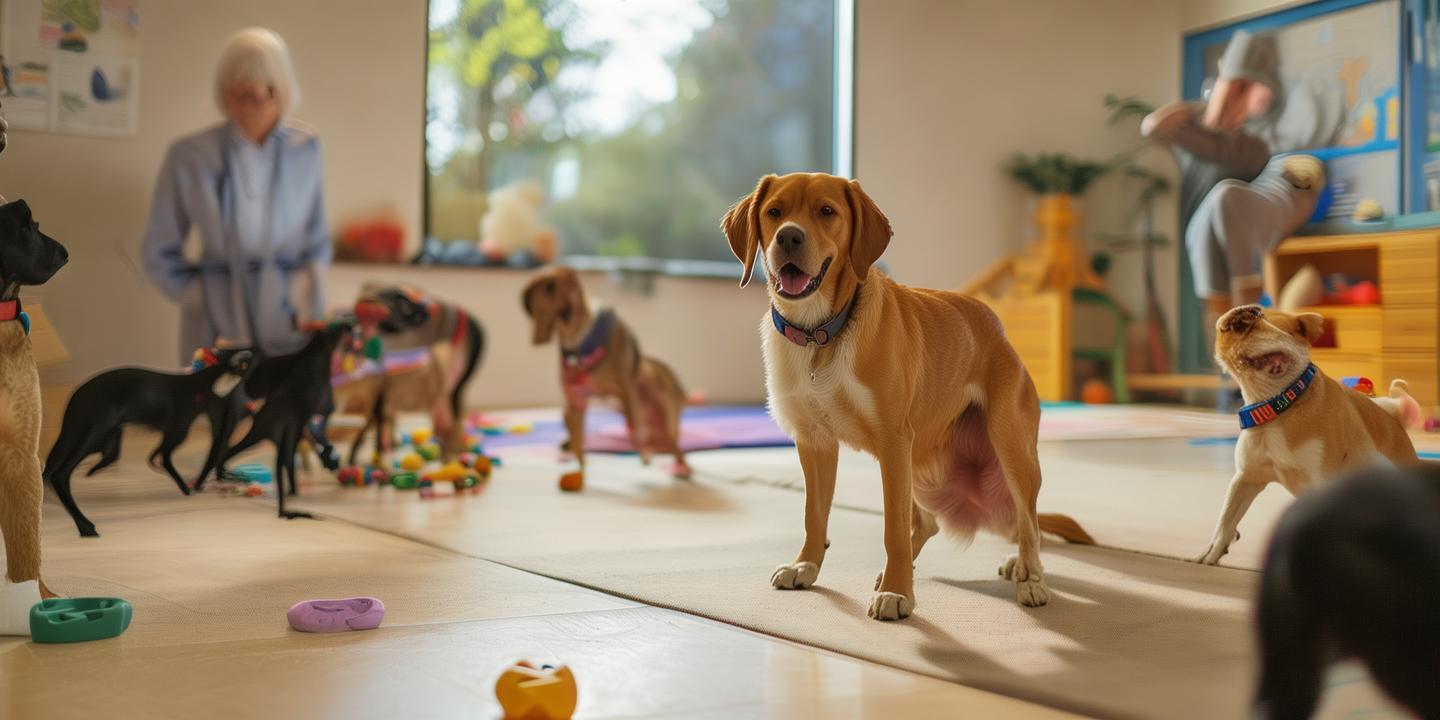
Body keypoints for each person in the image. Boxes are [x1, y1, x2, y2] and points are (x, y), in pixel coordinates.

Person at [142, 28, 330, 362]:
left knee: (283, 408)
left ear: (283, 92)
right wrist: (200, 296)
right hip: (215, 318)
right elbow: (158, 250)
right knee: (213, 407)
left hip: (287, 318)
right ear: (226, 93)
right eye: (245, 93)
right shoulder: (190, 156)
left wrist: (309, 302)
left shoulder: (306, 150)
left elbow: (316, 243)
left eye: (268, 92)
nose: (257, 103)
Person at [1142, 30, 1329, 320]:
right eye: (1237, 87)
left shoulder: (1248, 146)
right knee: (1202, 238)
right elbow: (1152, 126)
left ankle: (1248, 323)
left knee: (1225, 198)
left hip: (1241, 213)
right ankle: (1228, 354)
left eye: (1246, 86)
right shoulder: (1204, 129)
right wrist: (1207, 103)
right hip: (1205, 221)